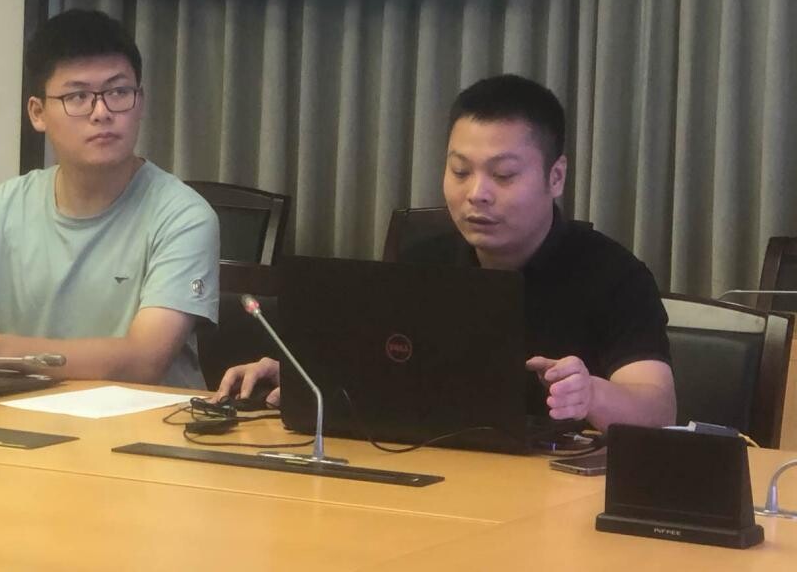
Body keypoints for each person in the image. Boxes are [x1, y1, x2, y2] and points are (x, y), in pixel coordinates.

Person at [217, 74, 676, 431]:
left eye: (503, 175)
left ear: (555, 177)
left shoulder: (615, 276)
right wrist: (303, 377)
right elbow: (376, 373)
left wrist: (591, 395)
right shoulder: (421, 261)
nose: (477, 193)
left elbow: (658, 409)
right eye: (460, 171)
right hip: (437, 479)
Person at [0, 9, 219, 389]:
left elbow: (144, 361)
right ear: (38, 113)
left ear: (140, 102)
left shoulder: (184, 216)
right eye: (77, 96)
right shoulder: (2, 208)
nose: (101, 112)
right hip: (24, 416)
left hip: (148, 420)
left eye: (118, 92)